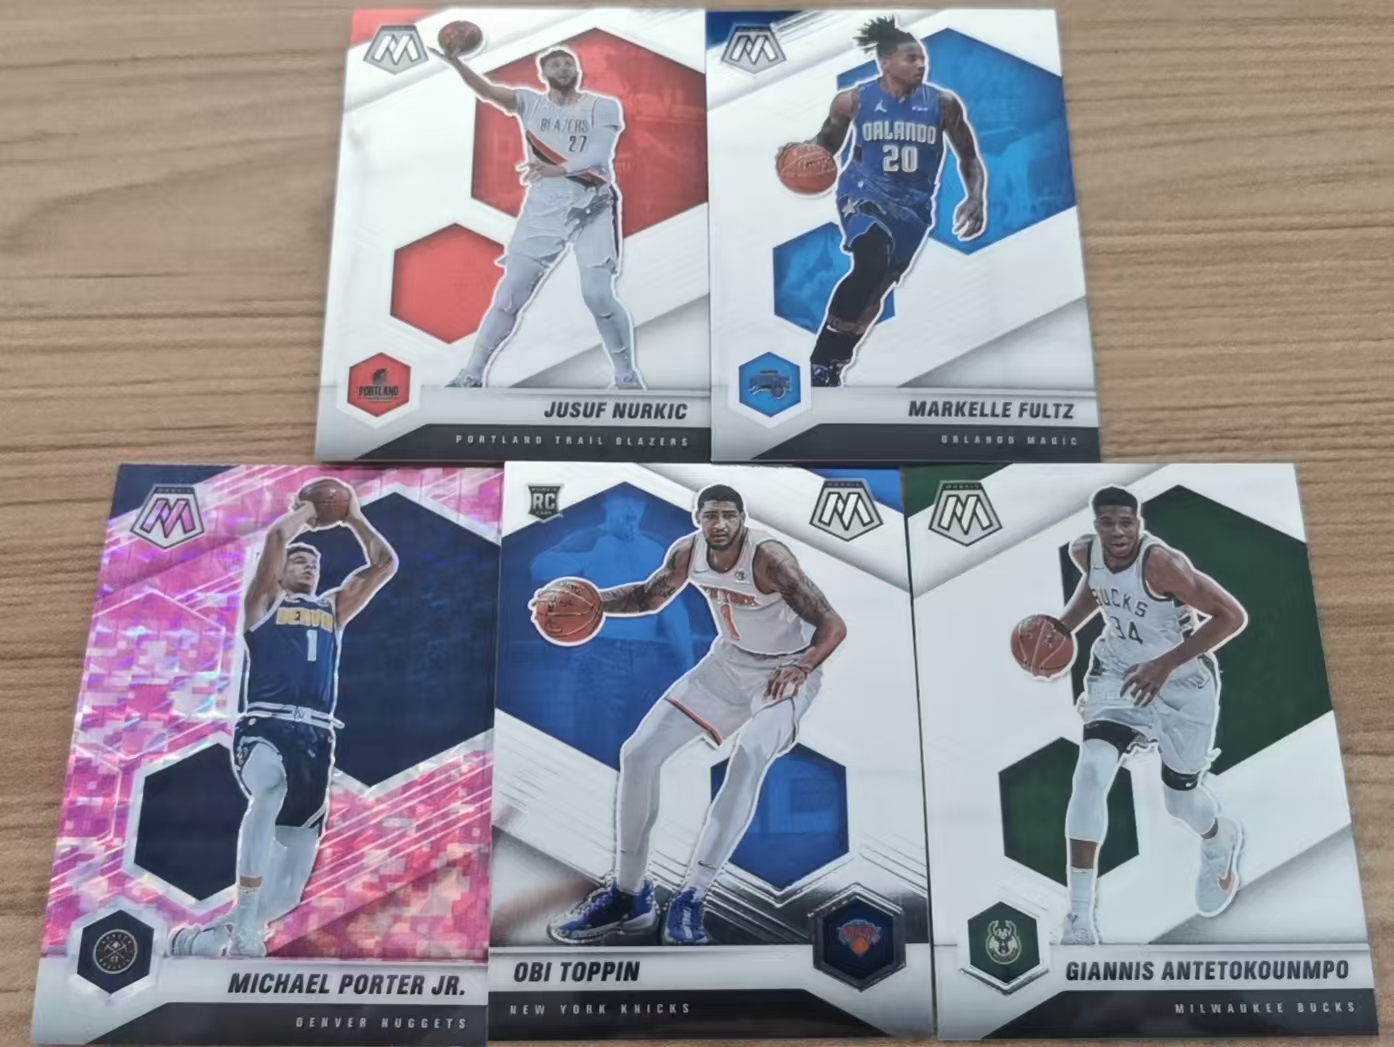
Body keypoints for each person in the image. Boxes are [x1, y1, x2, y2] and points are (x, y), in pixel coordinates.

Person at [537, 485, 846, 944]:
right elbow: (648, 597)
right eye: (710, 515)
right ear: (697, 518)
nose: (719, 524)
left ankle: (693, 897)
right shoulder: (688, 551)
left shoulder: (771, 559)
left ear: (742, 518)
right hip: (727, 662)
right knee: (638, 754)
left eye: (728, 515)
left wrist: (801, 668)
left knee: (751, 753)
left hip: (786, 669)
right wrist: (588, 601)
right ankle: (629, 896)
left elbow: (833, 624)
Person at [170, 481, 397, 958]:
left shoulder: (333, 608)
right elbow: (277, 538)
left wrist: (354, 517)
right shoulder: (264, 604)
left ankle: (210, 937)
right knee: (269, 791)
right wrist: (309, 512)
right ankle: (245, 928)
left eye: (314, 562)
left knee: (288, 894)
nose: (309, 564)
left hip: (316, 739)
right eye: (300, 560)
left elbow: (384, 564)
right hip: (265, 726)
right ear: (279, 571)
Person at [1034, 486, 1248, 945]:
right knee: (1091, 771)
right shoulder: (1084, 552)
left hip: (1183, 681)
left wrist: (1165, 664)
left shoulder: (1164, 565)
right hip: (1120, 670)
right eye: (1107, 522)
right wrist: (1063, 630)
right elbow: (1098, 590)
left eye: (1126, 522)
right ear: (1096, 524)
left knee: (1181, 803)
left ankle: (1218, 839)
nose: (1117, 531)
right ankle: (1079, 919)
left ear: (1139, 523)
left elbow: (1231, 617)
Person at [437, 43, 643, 389]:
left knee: (598, 295)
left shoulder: (603, 105)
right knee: (509, 295)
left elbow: (598, 154)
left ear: (578, 70)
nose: (563, 68)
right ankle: (471, 374)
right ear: (543, 73)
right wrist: (457, 64)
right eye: (555, 64)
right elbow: (487, 91)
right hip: (544, 209)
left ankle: (627, 377)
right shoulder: (530, 103)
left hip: (593, 206)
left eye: (568, 63)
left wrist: (556, 169)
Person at [798, 16, 987, 387]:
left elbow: (968, 156)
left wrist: (976, 196)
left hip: (914, 209)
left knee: (876, 291)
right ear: (885, 61)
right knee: (870, 261)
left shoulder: (943, 104)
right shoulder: (853, 101)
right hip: (863, 192)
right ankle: (820, 359)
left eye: (923, 58)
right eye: (911, 58)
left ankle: (836, 361)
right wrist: (801, 158)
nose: (921, 64)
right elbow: (825, 145)